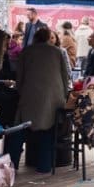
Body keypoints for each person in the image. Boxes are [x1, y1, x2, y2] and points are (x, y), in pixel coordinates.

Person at [15, 26, 70, 171]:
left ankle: (12, 164)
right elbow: (65, 76)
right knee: (48, 130)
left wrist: (20, 91)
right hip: (53, 97)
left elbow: (19, 77)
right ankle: (44, 166)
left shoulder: (26, 52)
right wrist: (64, 94)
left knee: (20, 129)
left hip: (30, 96)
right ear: (47, 38)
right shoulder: (57, 52)